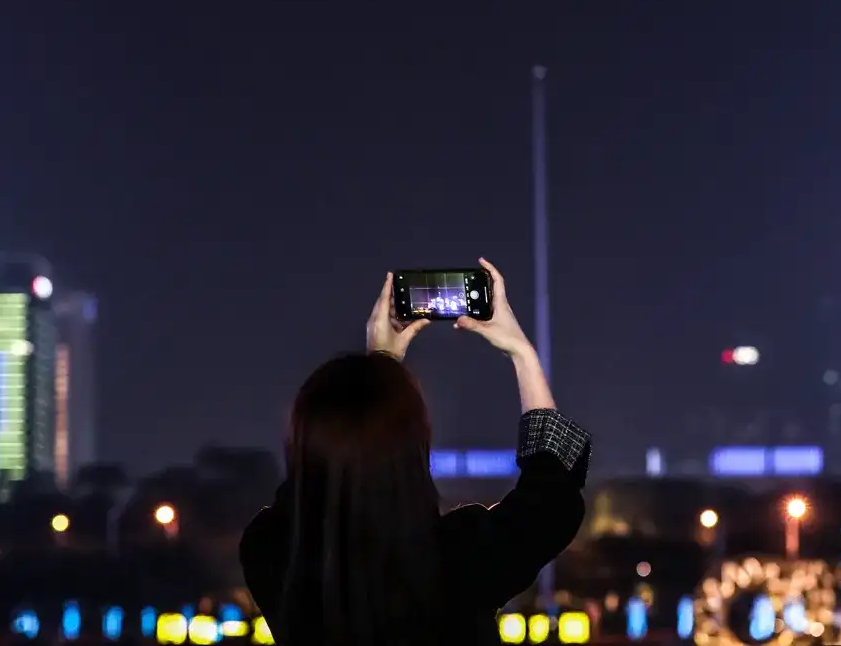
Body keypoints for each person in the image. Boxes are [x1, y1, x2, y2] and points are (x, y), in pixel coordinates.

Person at [240, 258, 592, 646]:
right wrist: (520, 352)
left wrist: (381, 368)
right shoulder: (459, 561)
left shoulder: (270, 554)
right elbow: (554, 493)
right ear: (412, 449)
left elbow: (311, 491)